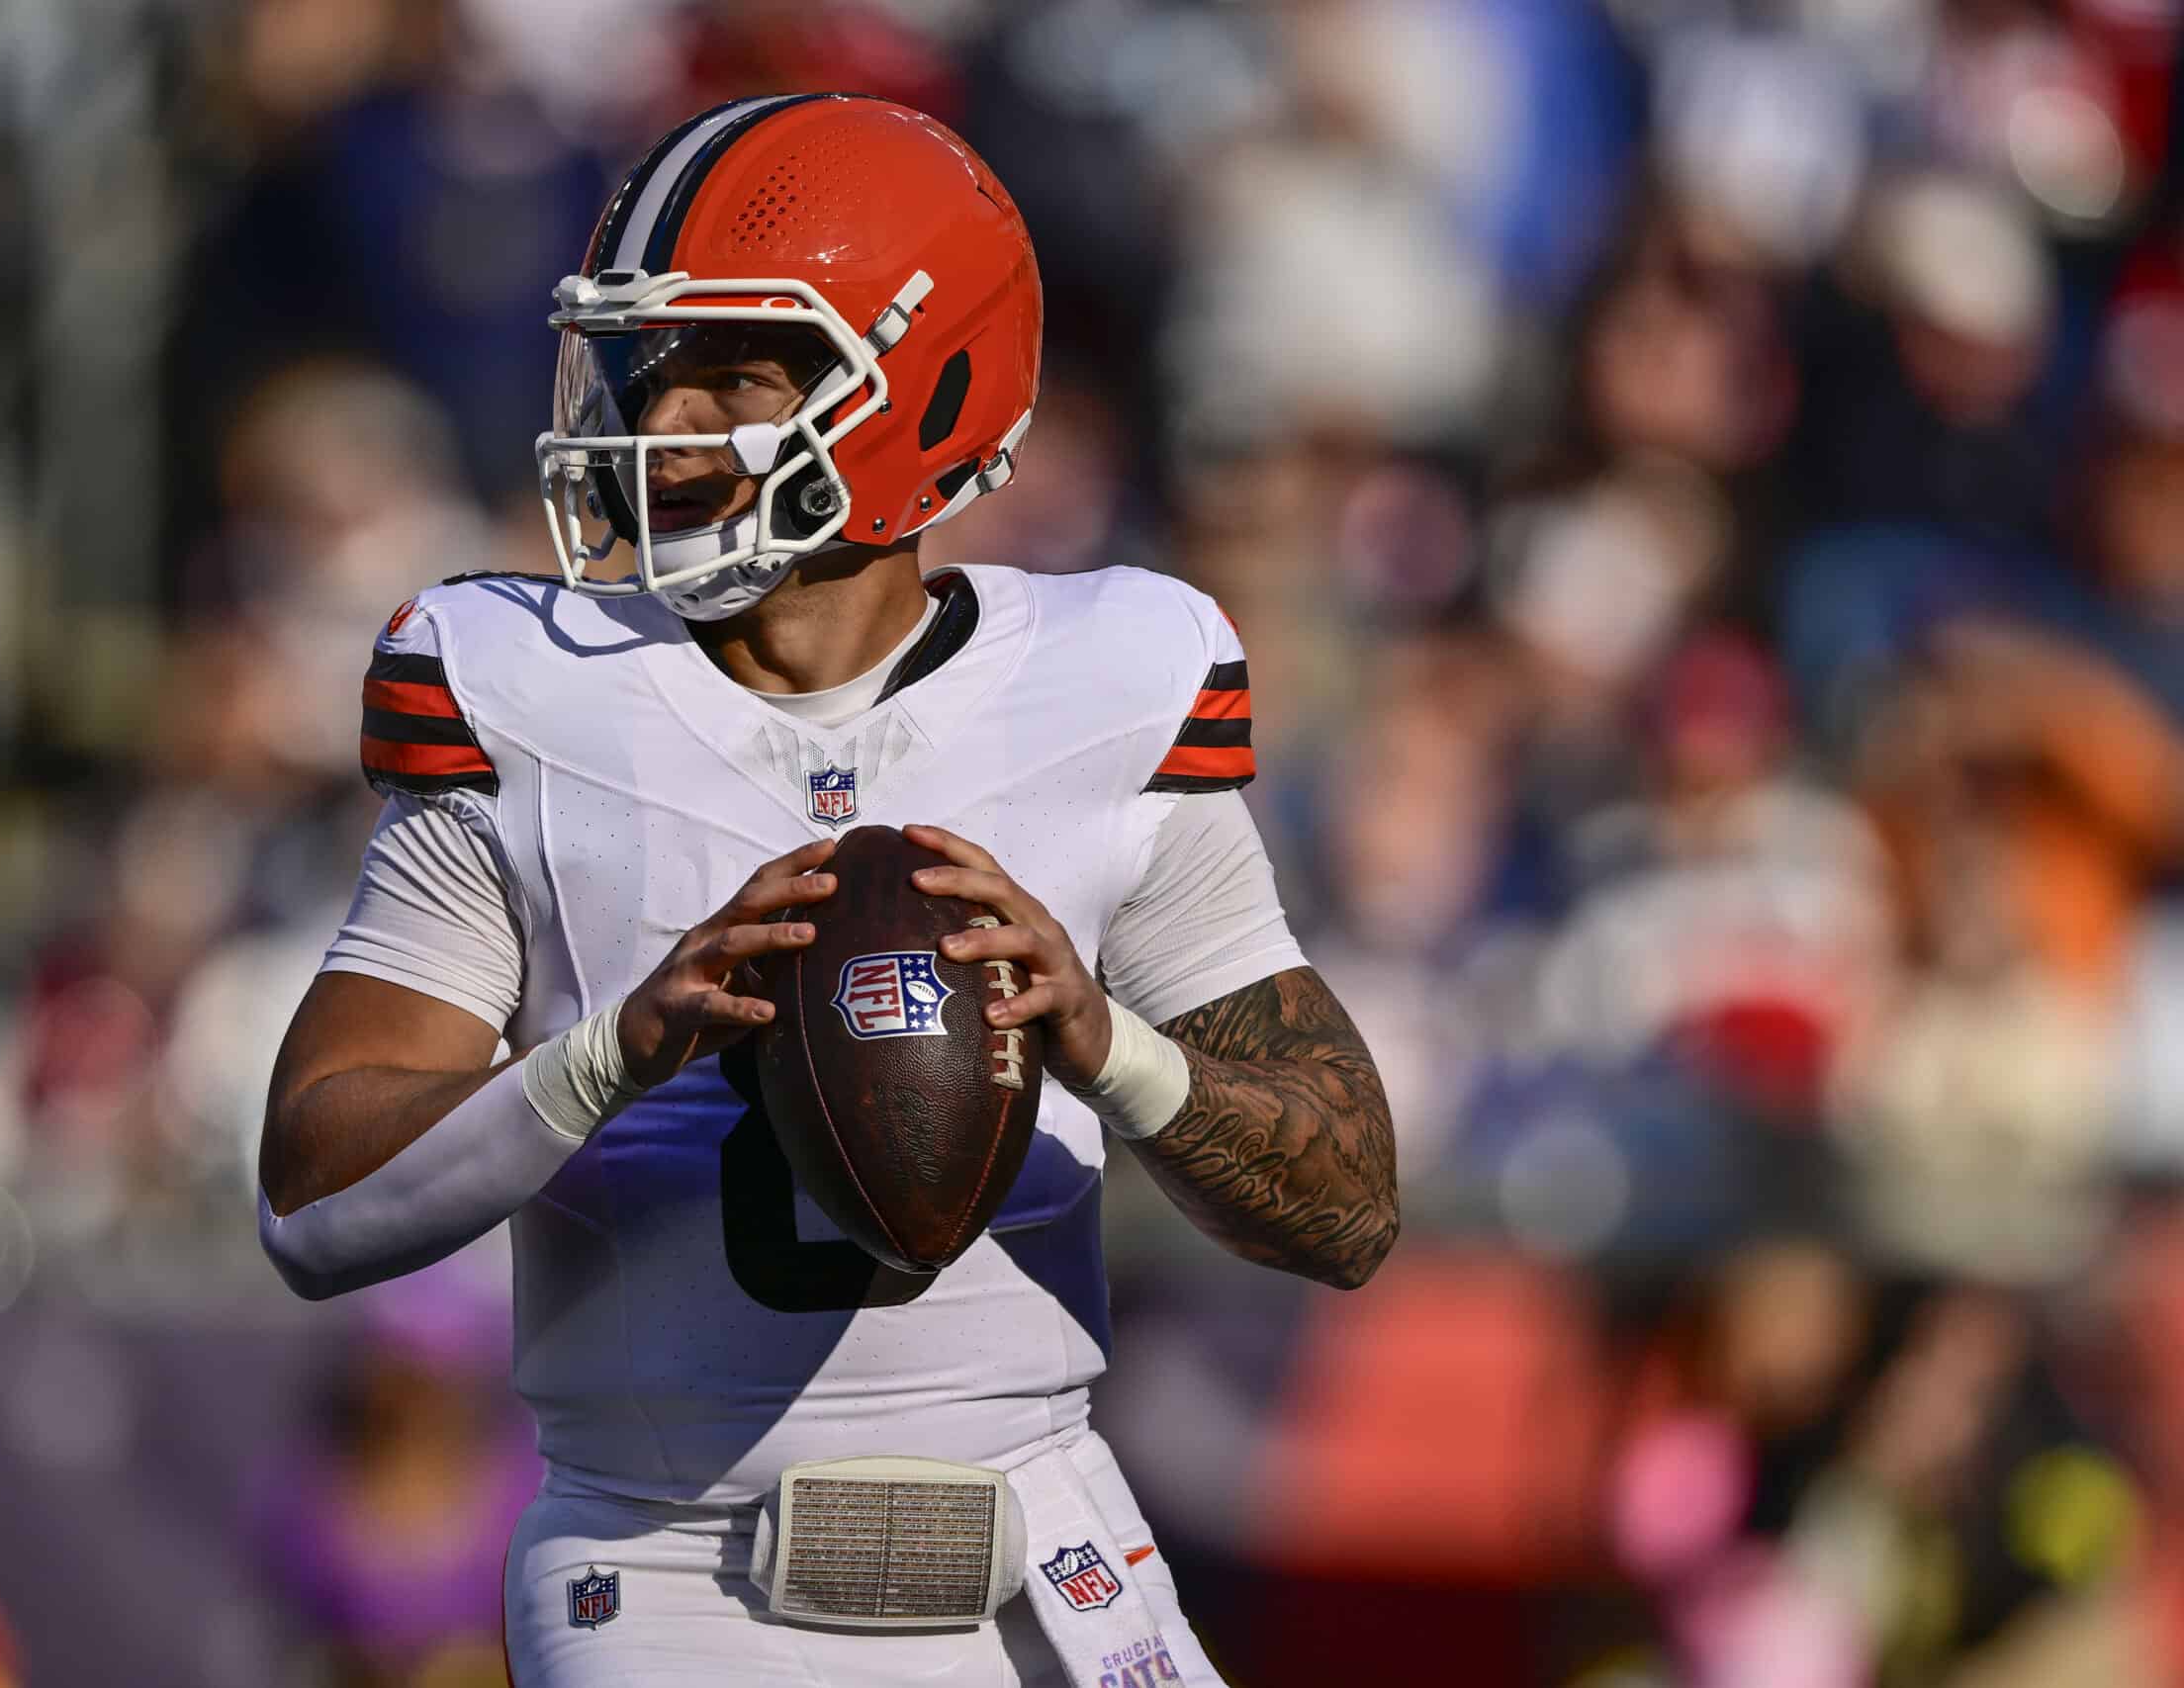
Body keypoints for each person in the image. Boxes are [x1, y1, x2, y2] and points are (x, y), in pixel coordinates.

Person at [255, 92, 1398, 1687]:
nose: (663, 427)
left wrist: (1110, 1046)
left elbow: (1348, 1205)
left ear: (923, 385)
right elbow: (308, 1207)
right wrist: (605, 1060)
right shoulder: (524, 684)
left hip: (1043, 1549)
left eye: (733, 372)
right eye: (652, 373)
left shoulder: (1113, 675)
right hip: (665, 1566)